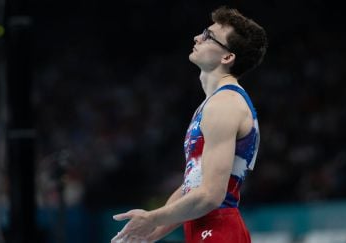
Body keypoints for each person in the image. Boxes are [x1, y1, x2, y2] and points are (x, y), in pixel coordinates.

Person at [111, 5, 268, 243]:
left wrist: (152, 218)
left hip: (219, 228)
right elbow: (193, 185)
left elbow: (211, 196)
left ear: (227, 57)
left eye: (208, 36)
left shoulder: (226, 104)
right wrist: (154, 232)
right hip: (204, 227)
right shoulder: (211, 104)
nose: (197, 37)